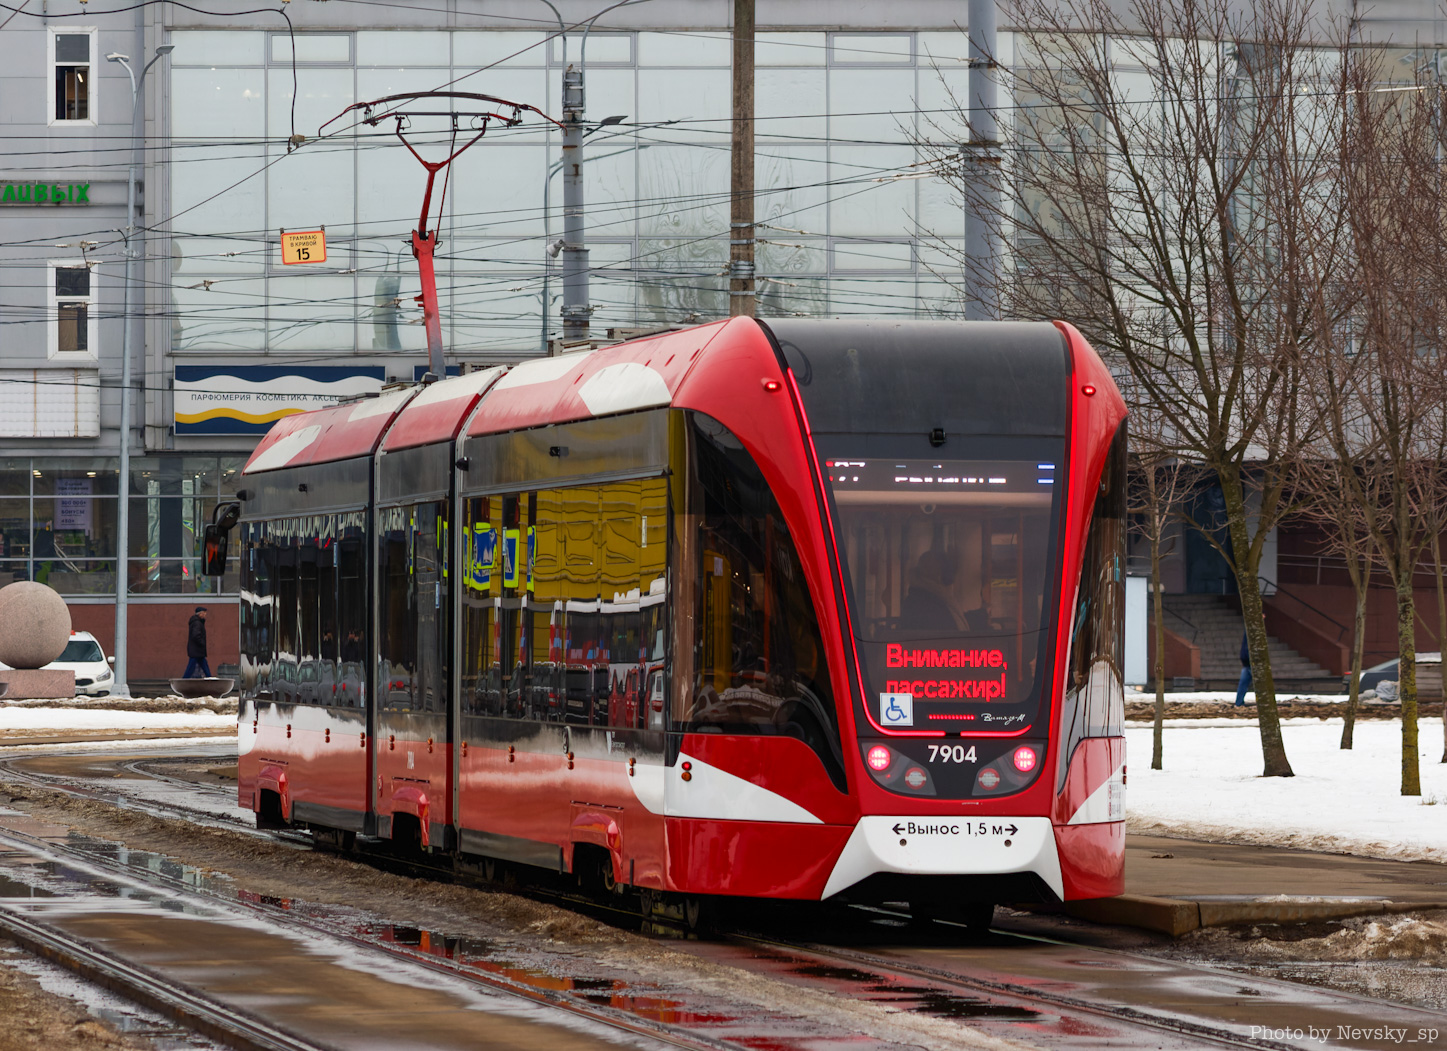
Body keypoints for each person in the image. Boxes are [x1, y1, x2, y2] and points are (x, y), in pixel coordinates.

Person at [184, 606, 211, 679]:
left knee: (203, 664)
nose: (205, 615)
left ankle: (209, 678)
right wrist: (202, 643)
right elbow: (196, 635)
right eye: (204, 613)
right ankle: (184, 680)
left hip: (197, 650)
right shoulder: (197, 623)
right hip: (197, 650)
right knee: (191, 667)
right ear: (200, 614)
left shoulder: (197, 622)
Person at [1235, 629, 1252, 707]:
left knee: (1243, 684)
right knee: (1243, 684)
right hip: (1249, 662)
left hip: (1246, 661)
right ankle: (1239, 702)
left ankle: (1239, 702)